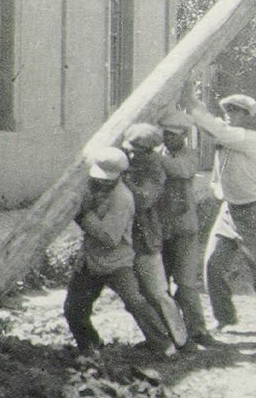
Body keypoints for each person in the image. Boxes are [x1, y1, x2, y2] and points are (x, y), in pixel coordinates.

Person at [180, 80, 256, 333]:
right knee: (212, 265)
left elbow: (212, 127)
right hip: (230, 212)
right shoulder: (231, 138)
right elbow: (208, 126)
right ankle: (225, 318)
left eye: (236, 111)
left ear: (248, 117)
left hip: (255, 212)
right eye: (227, 111)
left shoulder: (249, 139)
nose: (229, 116)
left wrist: (191, 100)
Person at [63, 147, 175, 361]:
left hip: (117, 263)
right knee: (74, 307)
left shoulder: (123, 198)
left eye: (107, 180)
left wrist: (83, 217)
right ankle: (90, 344)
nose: (102, 183)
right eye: (100, 179)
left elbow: (110, 237)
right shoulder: (92, 187)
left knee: (136, 303)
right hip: (90, 261)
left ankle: (164, 344)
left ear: (120, 176)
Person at [120, 122, 190, 351]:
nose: (129, 153)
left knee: (158, 293)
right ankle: (158, 337)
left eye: (134, 150)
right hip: (131, 238)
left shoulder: (153, 169)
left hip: (146, 238)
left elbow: (143, 200)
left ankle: (180, 339)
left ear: (146, 150)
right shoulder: (134, 166)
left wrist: (125, 180)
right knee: (139, 295)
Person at [158, 110, 222, 348]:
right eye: (165, 135)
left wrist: (150, 159)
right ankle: (169, 334)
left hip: (184, 228)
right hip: (162, 228)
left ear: (183, 136)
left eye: (172, 135)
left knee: (185, 284)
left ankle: (197, 330)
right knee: (160, 286)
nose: (168, 139)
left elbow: (181, 170)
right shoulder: (160, 155)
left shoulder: (189, 155)